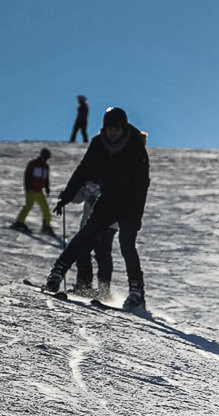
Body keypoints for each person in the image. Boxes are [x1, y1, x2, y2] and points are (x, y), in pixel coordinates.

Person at [44, 106, 150, 311]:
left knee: (127, 244)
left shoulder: (136, 147)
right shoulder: (98, 143)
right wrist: (66, 196)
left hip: (129, 202)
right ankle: (57, 272)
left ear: (124, 127)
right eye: (109, 128)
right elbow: (83, 170)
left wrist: (136, 215)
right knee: (86, 234)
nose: (113, 132)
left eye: (117, 128)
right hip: (108, 199)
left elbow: (141, 185)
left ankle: (137, 293)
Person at [67, 181, 115, 297]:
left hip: (107, 224)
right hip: (88, 224)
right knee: (82, 252)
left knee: (102, 255)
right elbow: (79, 197)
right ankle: (84, 286)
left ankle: (104, 290)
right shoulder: (88, 179)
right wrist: (68, 195)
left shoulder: (113, 178)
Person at [11, 149, 53, 235]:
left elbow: (46, 178)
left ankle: (46, 226)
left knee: (45, 208)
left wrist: (47, 188)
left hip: (39, 191)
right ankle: (19, 222)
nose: (46, 159)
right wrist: (27, 187)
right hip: (31, 190)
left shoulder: (46, 166)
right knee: (29, 205)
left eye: (47, 157)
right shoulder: (33, 164)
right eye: (45, 157)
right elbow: (27, 175)